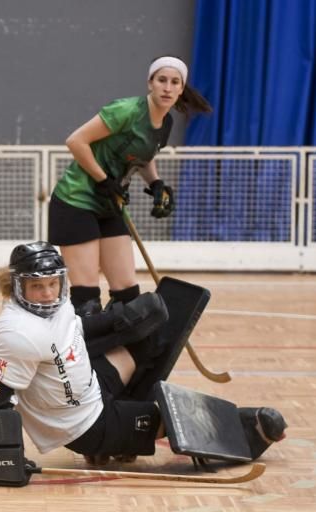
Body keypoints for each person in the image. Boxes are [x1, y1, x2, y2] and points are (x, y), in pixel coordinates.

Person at [0, 242, 286, 466]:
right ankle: (247, 431)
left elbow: (74, 329)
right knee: (175, 421)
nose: (48, 293)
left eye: (53, 284)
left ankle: (122, 430)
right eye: (37, 287)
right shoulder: (17, 332)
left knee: (152, 338)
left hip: (93, 382)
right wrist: (5, 458)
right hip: (87, 424)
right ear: (18, 288)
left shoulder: (56, 303)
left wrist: (118, 321)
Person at [48, 55, 212, 317]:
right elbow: (76, 141)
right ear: (150, 83)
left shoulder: (165, 123)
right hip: (76, 201)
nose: (167, 88)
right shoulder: (126, 111)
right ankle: (83, 357)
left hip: (109, 202)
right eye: (161, 80)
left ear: (182, 89)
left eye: (174, 82)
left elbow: (143, 158)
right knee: (87, 301)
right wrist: (103, 180)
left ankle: (117, 355)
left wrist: (156, 183)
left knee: (128, 297)